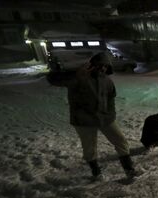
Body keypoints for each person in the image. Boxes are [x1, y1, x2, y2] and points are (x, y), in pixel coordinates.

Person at [47, 52, 139, 180]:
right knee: (90, 148)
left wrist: (111, 114)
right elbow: (52, 79)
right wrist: (75, 75)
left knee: (121, 141)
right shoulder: (79, 78)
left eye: (106, 66)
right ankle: (96, 173)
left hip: (105, 118)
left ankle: (129, 170)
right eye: (100, 65)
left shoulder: (107, 81)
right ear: (93, 65)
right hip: (83, 121)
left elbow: (111, 98)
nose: (103, 68)